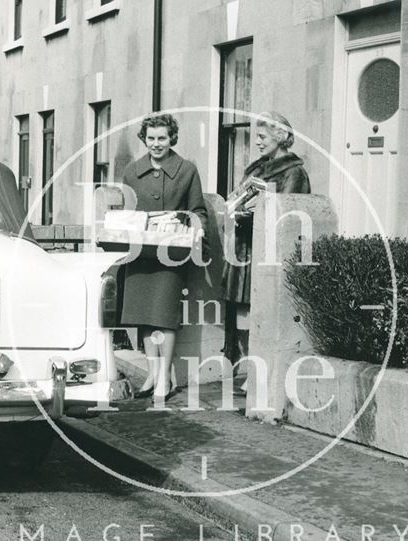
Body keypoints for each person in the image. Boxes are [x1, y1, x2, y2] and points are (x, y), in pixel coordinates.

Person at [220, 111, 311, 392]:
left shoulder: (294, 172)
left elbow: (291, 215)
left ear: (280, 137)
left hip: (268, 254)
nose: (257, 142)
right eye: (256, 137)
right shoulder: (255, 169)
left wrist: (260, 209)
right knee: (244, 315)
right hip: (244, 252)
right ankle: (249, 368)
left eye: (262, 136)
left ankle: (262, 373)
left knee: (266, 315)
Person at [120, 113, 207, 402]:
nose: (156, 144)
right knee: (145, 318)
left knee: (164, 317)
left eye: (162, 138)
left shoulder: (187, 170)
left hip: (171, 254)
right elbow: (126, 211)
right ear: (144, 139)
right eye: (151, 138)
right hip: (141, 254)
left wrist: (191, 228)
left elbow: (198, 211)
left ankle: (164, 380)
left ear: (172, 139)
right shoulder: (132, 172)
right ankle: (153, 373)